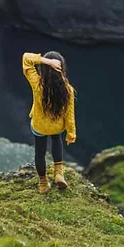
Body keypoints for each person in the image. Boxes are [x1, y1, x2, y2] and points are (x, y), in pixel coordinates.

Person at [22, 51, 76, 194]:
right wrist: (71, 134)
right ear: (62, 68)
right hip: (57, 127)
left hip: (40, 126)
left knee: (40, 153)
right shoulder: (68, 90)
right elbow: (70, 114)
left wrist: (46, 61)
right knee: (56, 141)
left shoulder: (37, 85)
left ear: (44, 69)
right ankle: (59, 173)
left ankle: (43, 182)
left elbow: (26, 59)